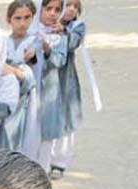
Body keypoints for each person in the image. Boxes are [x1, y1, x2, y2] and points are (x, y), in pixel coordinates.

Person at [50, 0, 91, 179]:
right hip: (46, 79)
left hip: (66, 81)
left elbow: (73, 42)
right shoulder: (45, 23)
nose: (71, 10)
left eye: (75, 7)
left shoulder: (77, 27)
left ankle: (59, 162)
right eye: (68, 5)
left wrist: (63, 31)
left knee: (66, 121)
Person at [3, 0, 42, 160]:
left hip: (26, 96)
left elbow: (36, 59)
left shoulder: (35, 41)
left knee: (25, 133)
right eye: (17, 18)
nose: (22, 23)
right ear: (9, 19)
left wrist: (34, 53)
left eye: (27, 18)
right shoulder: (4, 41)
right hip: (6, 94)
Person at [35, 0, 68, 173]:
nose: (53, 13)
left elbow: (60, 60)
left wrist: (48, 49)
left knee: (46, 140)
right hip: (31, 96)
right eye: (48, 9)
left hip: (49, 95)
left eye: (57, 9)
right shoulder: (31, 32)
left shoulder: (60, 37)